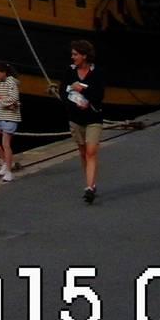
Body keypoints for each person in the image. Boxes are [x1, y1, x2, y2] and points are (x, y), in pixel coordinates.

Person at [61, 40, 105, 203]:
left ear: (84, 56)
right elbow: (62, 91)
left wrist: (84, 90)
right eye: (72, 54)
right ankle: (91, 183)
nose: (72, 57)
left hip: (93, 118)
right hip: (75, 119)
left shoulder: (97, 72)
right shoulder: (69, 72)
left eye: (75, 54)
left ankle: (89, 187)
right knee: (82, 152)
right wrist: (72, 96)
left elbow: (100, 95)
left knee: (91, 151)